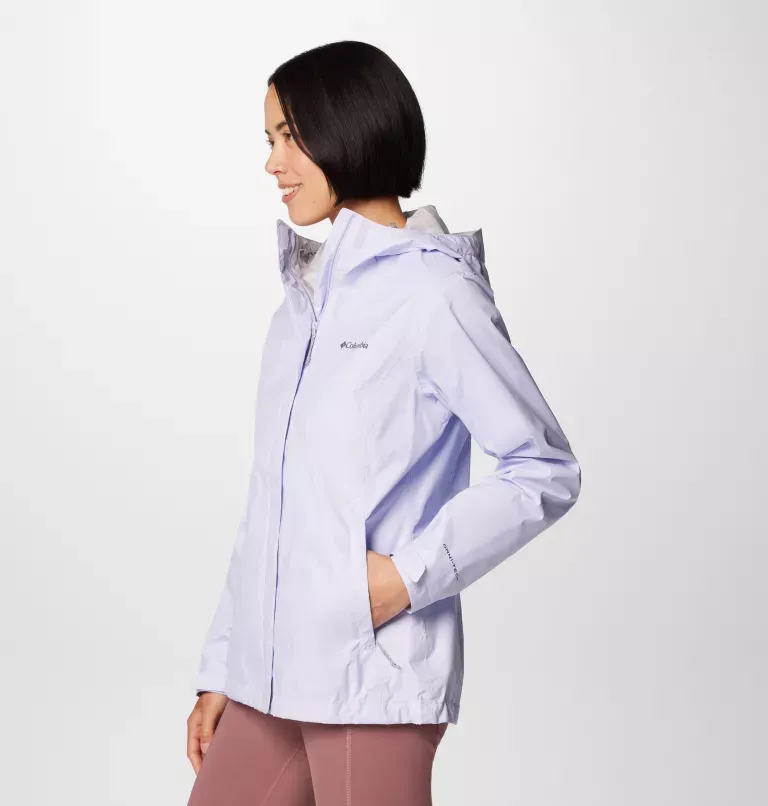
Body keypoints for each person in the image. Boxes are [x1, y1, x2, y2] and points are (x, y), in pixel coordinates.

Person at [186, 40, 581, 805]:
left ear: (349, 126)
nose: (272, 162)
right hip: (271, 676)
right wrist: (223, 666)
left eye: (290, 136)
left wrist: (404, 578)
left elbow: (543, 468)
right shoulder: (301, 305)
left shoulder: (434, 292)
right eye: (269, 139)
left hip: (375, 678)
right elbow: (271, 504)